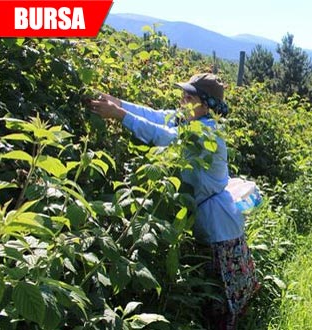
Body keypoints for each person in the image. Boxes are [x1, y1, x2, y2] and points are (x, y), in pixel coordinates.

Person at [89, 73, 259, 330]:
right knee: (210, 286)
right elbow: (158, 116)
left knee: (222, 290)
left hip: (218, 223)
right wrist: (120, 103)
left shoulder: (206, 131)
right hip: (207, 215)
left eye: (188, 96)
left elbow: (164, 136)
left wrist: (120, 116)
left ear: (206, 104)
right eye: (182, 95)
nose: (181, 101)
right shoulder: (193, 120)